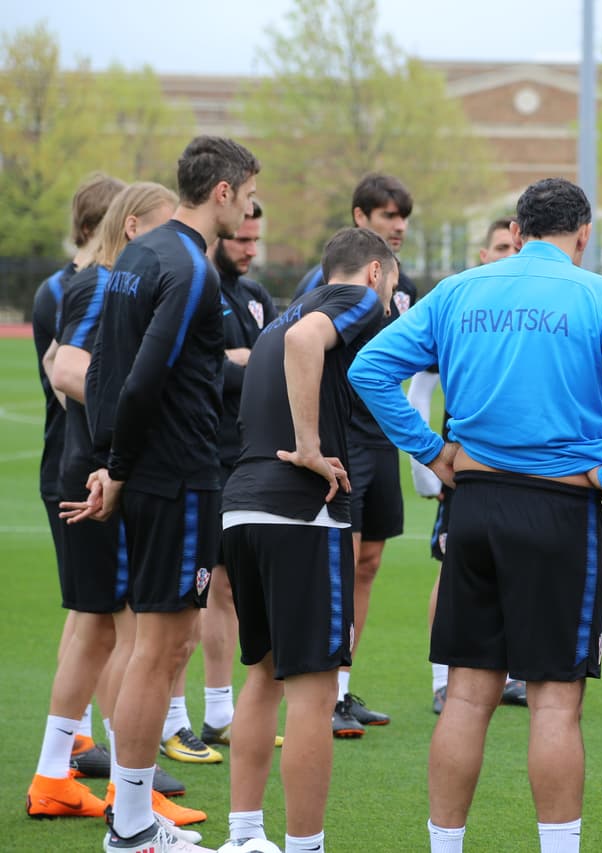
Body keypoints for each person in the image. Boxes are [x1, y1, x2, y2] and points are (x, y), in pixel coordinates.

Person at [348, 177, 602, 853]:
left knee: (468, 694)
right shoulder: (599, 295)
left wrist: (430, 450)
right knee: (555, 699)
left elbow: (369, 367)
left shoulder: (460, 290)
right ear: (583, 235)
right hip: (561, 509)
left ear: (518, 231)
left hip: (473, 505)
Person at [65, 134, 260, 853]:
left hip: (151, 472)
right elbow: (144, 373)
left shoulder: (138, 253)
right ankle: (133, 826)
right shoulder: (189, 266)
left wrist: (107, 459)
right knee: (162, 648)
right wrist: (116, 465)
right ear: (223, 191)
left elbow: (106, 366)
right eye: (248, 196)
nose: (250, 211)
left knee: (155, 646)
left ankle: (133, 818)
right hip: (178, 476)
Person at [218, 227, 397, 853]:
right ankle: (304, 846)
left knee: (264, 677)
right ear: (374, 272)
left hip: (242, 506)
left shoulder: (282, 315)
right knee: (315, 692)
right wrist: (311, 447)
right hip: (300, 511)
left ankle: (244, 836)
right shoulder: (355, 300)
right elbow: (306, 342)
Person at [47, 183, 203, 832]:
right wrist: (133, 419)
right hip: (103, 469)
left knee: (104, 629)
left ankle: (72, 775)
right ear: (133, 226)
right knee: (126, 633)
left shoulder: (111, 281)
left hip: (101, 462)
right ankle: (126, 791)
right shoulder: (103, 283)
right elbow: (65, 366)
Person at [295, 172, 421, 735]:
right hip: (342, 437)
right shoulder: (325, 283)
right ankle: (320, 690)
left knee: (367, 564)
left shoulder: (402, 283)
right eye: (388, 215)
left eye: (403, 217)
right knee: (337, 566)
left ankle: (342, 690)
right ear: (359, 217)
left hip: (381, 438)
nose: (399, 226)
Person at [26, 172, 125, 819]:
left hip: (84, 462)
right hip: (79, 464)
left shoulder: (89, 283)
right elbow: (63, 375)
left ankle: (80, 750)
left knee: (93, 616)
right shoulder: (74, 286)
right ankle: (111, 764)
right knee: (105, 617)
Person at [425, 216, 527, 715]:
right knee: (453, 569)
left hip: (524, 467)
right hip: (467, 466)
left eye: (515, 247)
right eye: (500, 247)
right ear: (484, 255)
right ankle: (443, 678)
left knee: (519, 568)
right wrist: (426, 457)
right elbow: (415, 379)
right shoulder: (463, 301)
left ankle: (513, 671)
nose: (509, 254)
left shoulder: (533, 308)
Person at [195, 199, 279, 748]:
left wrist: (245, 361)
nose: (250, 250)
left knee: (242, 585)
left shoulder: (255, 296)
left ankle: (227, 711)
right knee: (215, 586)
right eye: (241, 240)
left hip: (253, 457)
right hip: (208, 454)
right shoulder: (199, 289)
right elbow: (202, 371)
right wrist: (239, 363)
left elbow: (273, 364)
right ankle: (211, 711)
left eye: (255, 240)